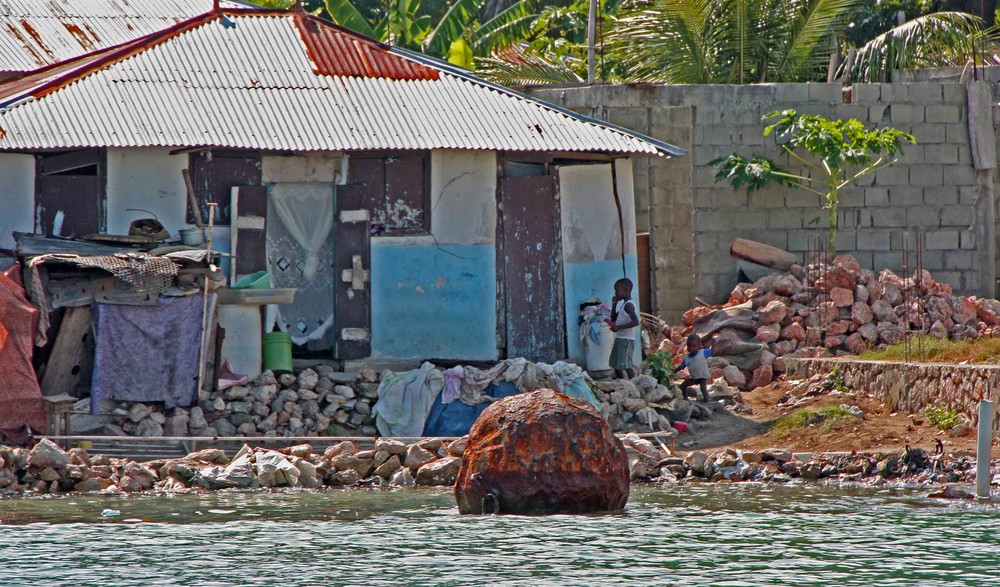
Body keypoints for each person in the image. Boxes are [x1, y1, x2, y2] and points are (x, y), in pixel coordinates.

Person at [609, 277, 640, 379]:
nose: (615, 293)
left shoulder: (629, 306)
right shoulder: (623, 305)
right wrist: (614, 305)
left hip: (626, 340)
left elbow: (636, 322)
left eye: (617, 290)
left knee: (626, 365)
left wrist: (618, 328)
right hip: (620, 338)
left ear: (626, 290)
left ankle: (634, 384)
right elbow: (614, 318)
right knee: (616, 364)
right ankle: (622, 383)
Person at [677, 334, 712, 402]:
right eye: (689, 346)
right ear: (686, 346)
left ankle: (707, 400)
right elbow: (682, 366)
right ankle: (685, 399)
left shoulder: (703, 352)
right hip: (694, 377)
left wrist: (714, 341)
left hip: (702, 376)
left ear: (699, 346)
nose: (691, 348)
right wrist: (675, 370)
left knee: (703, 388)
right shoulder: (687, 357)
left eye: (694, 346)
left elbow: (713, 351)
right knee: (683, 386)